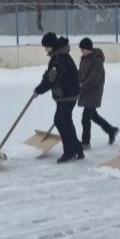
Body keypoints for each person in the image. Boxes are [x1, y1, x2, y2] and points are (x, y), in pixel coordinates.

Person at [34, 32, 84, 163]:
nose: (45, 49)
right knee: (64, 121)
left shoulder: (59, 60)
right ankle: (77, 149)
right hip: (64, 94)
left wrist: (39, 90)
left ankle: (70, 151)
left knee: (61, 121)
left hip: (68, 94)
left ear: (52, 46)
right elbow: (49, 74)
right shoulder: (58, 56)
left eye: (46, 46)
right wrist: (43, 80)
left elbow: (51, 80)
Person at [77, 38, 119, 149]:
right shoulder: (84, 59)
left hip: (94, 92)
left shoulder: (97, 61)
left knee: (85, 117)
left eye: (83, 49)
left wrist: (80, 88)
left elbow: (93, 79)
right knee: (93, 115)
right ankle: (111, 130)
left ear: (88, 48)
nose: (81, 51)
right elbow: (80, 74)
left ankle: (85, 142)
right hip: (86, 91)